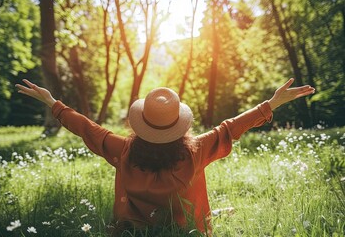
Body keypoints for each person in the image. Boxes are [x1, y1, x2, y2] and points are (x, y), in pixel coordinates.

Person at [16, 78, 314, 235]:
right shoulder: (195, 151)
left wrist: (53, 103)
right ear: (179, 123)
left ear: (141, 122)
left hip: (132, 229)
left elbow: (88, 129)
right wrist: (271, 103)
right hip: (185, 228)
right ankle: (210, 217)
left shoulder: (124, 151)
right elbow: (230, 128)